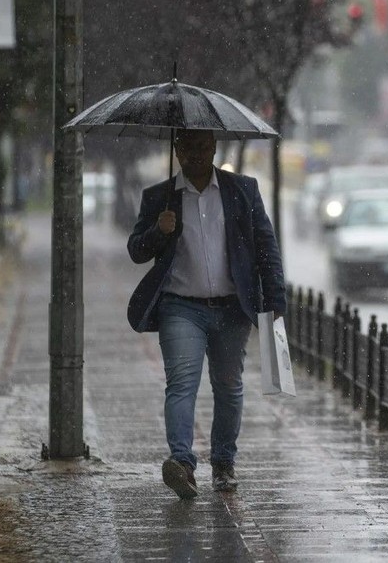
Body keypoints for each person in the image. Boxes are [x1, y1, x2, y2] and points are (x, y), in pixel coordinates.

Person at [127, 131, 285, 499]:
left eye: (202, 147)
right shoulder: (159, 197)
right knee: (181, 384)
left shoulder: (242, 190)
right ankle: (182, 462)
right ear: (176, 150)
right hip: (180, 307)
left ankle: (224, 462)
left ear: (214, 147)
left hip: (232, 308)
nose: (195, 154)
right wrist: (158, 230)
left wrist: (275, 301)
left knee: (228, 387)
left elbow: (266, 246)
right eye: (187, 147)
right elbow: (136, 250)